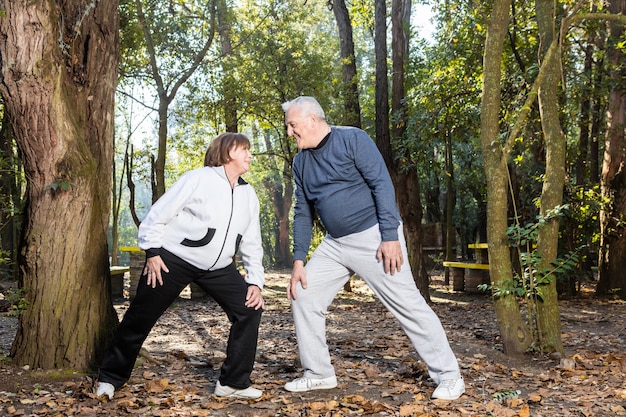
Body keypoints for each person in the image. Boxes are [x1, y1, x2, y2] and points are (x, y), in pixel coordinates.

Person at [281, 96, 465, 400]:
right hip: (334, 244)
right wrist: (299, 260)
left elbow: (381, 183)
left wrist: (390, 236)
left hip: (373, 238)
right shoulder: (300, 162)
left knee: (408, 304)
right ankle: (319, 374)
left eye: (293, 125)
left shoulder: (353, 139)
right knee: (303, 294)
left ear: (312, 120)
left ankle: (449, 376)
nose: (289, 132)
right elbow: (303, 211)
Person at [97, 133, 265, 400]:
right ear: (228, 151)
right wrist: (152, 252)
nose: (250, 155)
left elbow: (252, 240)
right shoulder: (197, 179)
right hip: (173, 261)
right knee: (141, 317)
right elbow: (158, 214)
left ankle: (233, 382)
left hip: (219, 267)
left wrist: (255, 281)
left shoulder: (248, 193)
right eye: (245, 149)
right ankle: (110, 377)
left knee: (249, 309)